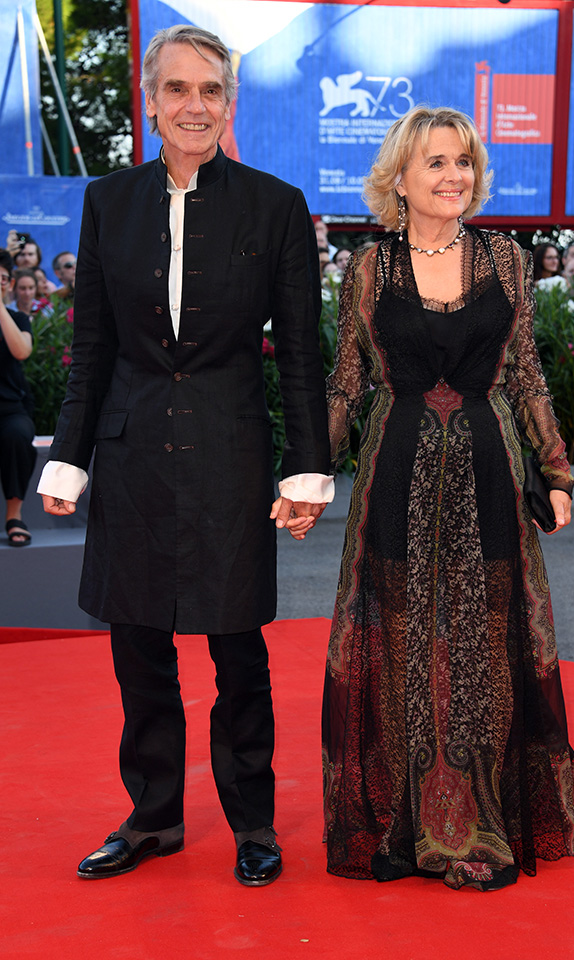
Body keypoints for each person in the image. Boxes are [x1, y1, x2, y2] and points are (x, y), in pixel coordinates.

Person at [37, 24, 333, 886]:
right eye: (177, 88)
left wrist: (306, 473)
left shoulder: (275, 206)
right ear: (151, 100)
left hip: (230, 457)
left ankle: (253, 822)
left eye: (210, 89)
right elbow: (91, 351)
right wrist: (70, 461)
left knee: (238, 652)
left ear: (229, 103)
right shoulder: (108, 202)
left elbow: (301, 355)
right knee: (139, 648)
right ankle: (153, 816)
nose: (193, 105)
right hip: (131, 458)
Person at [322, 105, 574, 892]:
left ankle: (478, 810)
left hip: (490, 470)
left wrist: (555, 471)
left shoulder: (505, 258)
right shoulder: (371, 267)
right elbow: (348, 380)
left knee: (485, 640)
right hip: (396, 472)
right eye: (436, 162)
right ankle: (408, 811)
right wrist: (308, 476)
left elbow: (524, 371)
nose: (455, 175)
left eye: (464, 161)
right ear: (399, 177)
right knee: (403, 640)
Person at [0, 250, 36, 546]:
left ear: (10, 284)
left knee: (18, 435)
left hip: (10, 407)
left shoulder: (18, 318)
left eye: (2, 278)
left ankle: (14, 515)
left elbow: (22, 351)